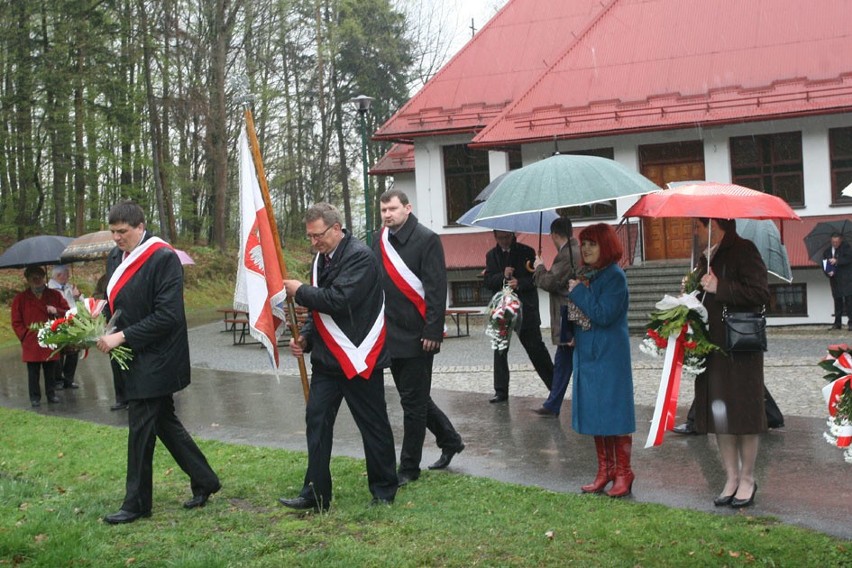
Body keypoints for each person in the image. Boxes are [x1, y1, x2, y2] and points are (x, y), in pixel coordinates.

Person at [96, 201, 220, 524]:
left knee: (140, 430)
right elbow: (116, 301)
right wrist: (100, 317)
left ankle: (136, 503)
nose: (117, 238)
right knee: (164, 422)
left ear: (140, 227)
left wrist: (120, 337)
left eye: (122, 232)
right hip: (132, 356)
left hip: (160, 358)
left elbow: (168, 316)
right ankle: (205, 480)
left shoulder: (164, 258)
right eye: (112, 232)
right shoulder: (113, 258)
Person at [279, 203, 398, 512]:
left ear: (335, 228)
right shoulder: (320, 260)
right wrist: (305, 338)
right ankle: (315, 492)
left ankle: (384, 490)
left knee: (373, 426)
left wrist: (299, 290)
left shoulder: (360, 256)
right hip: (327, 362)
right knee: (316, 421)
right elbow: (318, 312)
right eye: (309, 237)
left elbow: (340, 300)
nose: (313, 242)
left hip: (359, 358)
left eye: (317, 235)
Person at [373, 189, 465, 484]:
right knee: (414, 398)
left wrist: (433, 331)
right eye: (383, 210)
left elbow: (437, 289)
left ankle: (408, 469)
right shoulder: (380, 241)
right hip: (390, 334)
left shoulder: (427, 239)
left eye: (393, 209)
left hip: (418, 335)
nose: (387, 214)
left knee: (412, 404)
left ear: (407, 208)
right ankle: (450, 440)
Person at [693, 217, 770, 509]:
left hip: (740, 350)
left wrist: (720, 286)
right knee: (721, 417)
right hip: (712, 349)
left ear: (714, 225)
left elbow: (761, 294)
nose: (694, 232)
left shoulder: (744, 250)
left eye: (698, 226)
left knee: (744, 416)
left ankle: (748, 478)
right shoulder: (705, 258)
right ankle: (731, 477)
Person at [566, 223, 636, 498]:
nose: (585, 248)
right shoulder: (590, 275)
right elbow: (585, 313)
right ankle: (604, 470)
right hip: (589, 353)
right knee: (597, 412)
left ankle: (624, 472)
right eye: (583, 243)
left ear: (605, 246)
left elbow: (605, 314)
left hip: (609, 356)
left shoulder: (615, 277)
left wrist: (578, 293)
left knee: (614, 413)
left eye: (592, 243)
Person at [483, 230, 554, 403]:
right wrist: (503, 276)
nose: (504, 241)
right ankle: (501, 391)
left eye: (506, 237)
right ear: (495, 236)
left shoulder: (526, 251)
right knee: (499, 350)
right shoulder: (491, 255)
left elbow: (536, 279)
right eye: (500, 238)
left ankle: (554, 384)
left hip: (525, 310)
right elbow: (488, 282)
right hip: (502, 310)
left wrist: (519, 283)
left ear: (512, 235)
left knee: (535, 348)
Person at [531, 217, 580, 417]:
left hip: (568, 315)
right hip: (569, 315)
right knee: (563, 361)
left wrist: (539, 267)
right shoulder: (573, 251)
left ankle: (555, 404)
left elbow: (550, 282)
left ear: (554, 235)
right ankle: (553, 404)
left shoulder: (568, 254)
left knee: (567, 361)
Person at [11, 266, 69, 407]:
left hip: (50, 337)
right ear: (28, 280)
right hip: (31, 340)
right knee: (33, 371)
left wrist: (56, 310)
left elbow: (68, 313)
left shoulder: (54, 295)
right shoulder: (20, 298)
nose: (36, 280)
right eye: (33, 278)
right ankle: (35, 397)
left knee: (51, 369)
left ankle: (51, 394)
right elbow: (16, 321)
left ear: (44, 278)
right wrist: (24, 336)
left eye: (39, 277)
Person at [95, 273, 127, 411]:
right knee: (116, 365)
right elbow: (98, 294)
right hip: (111, 324)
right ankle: (121, 398)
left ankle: (132, 398)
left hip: (127, 323)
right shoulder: (106, 278)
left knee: (128, 365)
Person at [48, 265, 81, 390]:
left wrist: (77, 297)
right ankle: (58, 380)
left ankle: (68, 379)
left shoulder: (70, 287)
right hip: (57, 322)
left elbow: (80, 304)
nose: (68, 276)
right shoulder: (49, 289)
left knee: (73, 351)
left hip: (72, 321)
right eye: (66, 274)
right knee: (59, 352)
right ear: (58, 276)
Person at [822, 232, 852, 330]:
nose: (835, 243)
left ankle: (851, 323)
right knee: (837, 301)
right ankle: (837, 323)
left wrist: (837, 261)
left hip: (847, 280)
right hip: (835, 280)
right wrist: (828, 273)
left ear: (840, 240)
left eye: (836, 241)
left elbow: (848, 259)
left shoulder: (847, 248)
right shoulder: (826, 251)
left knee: (849, 302)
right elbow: (824, 264)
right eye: (833, 241)